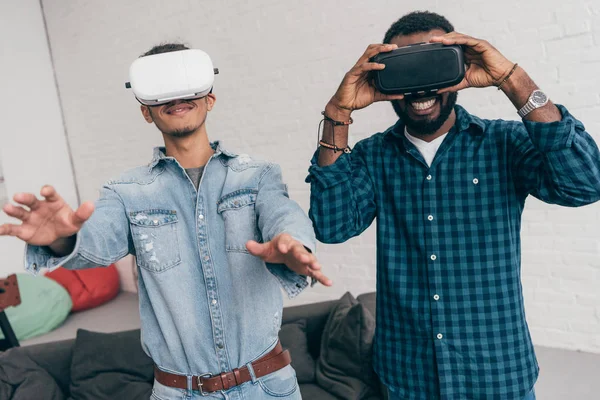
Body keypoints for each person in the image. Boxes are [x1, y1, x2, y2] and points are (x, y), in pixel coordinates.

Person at [1, 43, 331, 400]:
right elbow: (97, 242)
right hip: (178, 393)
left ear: (210, 99)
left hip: (269, 386)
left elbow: (282, 213)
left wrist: (292, 243)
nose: (176, 97)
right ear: (146, 112)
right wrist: (61, 239)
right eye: (161, 90)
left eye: (187, 84)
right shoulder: (126, 192)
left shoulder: (257, 175)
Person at [306, 11, 600, 400]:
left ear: (459, 66)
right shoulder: (373, 156)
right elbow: (332, 225)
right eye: (406, 67)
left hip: (497, 374)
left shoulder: (503, 142)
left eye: (432, 63)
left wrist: (511, 79)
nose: (421, 85)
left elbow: (585, 183)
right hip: (406, 376)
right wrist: (338, 113)